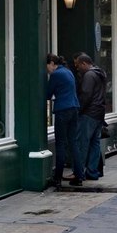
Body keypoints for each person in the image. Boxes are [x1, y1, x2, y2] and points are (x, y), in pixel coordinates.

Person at [46, 54, 84, 187]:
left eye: (47, 68)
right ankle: (79, 175)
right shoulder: (68, 72)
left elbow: (47, 94)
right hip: (74, 108)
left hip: (63, 110)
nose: (48, 71)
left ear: (51, 63)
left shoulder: (56, 75)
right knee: (73, 142)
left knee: (60, 144)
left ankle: (57, 178)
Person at [75, 53, 107, 180]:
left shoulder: (89, 75)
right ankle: (92, 172)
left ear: (84, 63)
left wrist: (79, 110)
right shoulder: (100, 73)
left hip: (89, 113)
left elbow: (86, 95)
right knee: (95, 144)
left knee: (83, 143)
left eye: (78, 66)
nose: (77, 68)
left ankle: (79, 172)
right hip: (99, 113)